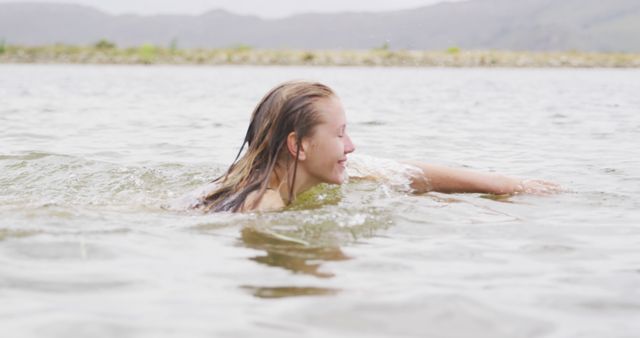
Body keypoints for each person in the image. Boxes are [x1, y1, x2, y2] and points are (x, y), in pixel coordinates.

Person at [184, 80, 558, 213]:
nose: (351, 146)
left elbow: (407, 174)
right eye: (340, 134)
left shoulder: (286, 173)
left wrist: (503, 184)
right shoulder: (264, 205)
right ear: (298, 146)